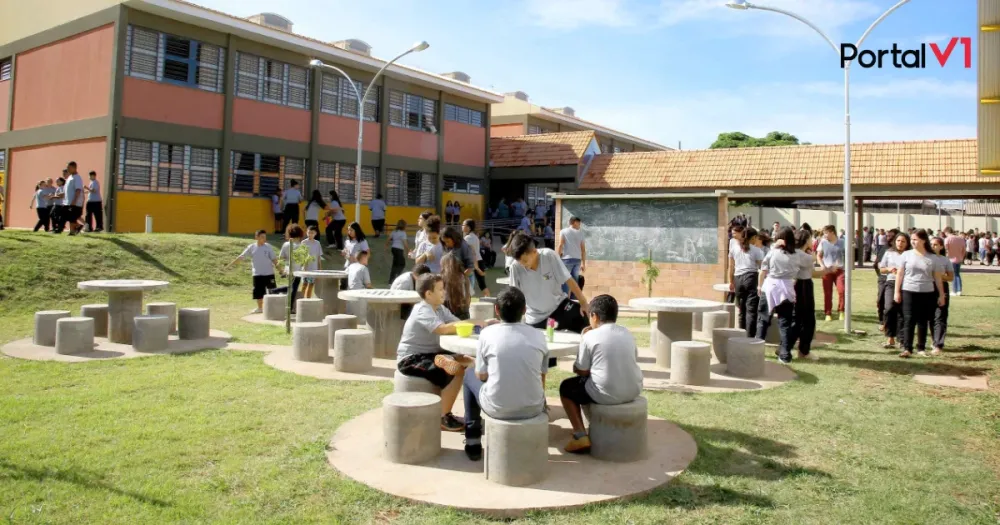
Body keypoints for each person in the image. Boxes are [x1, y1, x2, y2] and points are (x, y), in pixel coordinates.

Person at [462, 287, 548, 461]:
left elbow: (481, 376)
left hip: (498, 407)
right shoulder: (539, 335)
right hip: (535, 406)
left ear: (496, 310)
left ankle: (473, 440)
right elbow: (542, 375)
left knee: (469, 374)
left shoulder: (486, 334)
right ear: (525, 310)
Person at [396, 274, 488, 432]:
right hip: (411, 359)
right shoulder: (422, 309)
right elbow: (442, 329)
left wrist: (478, 324)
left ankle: (446, 361)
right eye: (440, 289)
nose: (444, 292)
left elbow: (456, 324)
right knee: (456, 369)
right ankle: (444, 417)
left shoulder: (439, 308)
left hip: (431, 354)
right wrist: (474, 322)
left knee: (470, 361)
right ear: (428, 294)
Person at [559, 294, 643, 454]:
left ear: (594, 316)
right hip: (634, 389)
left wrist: (583, 341)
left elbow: (582, 370)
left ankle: (580, 434)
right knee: (588, 382)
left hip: (607, 394)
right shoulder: (627, 333)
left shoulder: (589, 335)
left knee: (567, 387)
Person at [508, 232, 590, 336]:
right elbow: (514, 297)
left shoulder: (549, 255)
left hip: (559, 307)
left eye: (525, 261)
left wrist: (583, 302)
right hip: (536, 319)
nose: (522, 265)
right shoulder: (515, 267)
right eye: (519, 262)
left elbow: (568, 279)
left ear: (534, 252)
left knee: (586, 317)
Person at [894, 229, 946, 358]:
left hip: (927, 292)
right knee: (909, 320)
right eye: (911, 239)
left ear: (923, 240)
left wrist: (941, 294)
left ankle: (921, 348)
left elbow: (938, 278)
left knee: (923, 321)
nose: (912, 242)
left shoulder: (932, 257)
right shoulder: (906, 255)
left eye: (915, 239)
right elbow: (899, 274)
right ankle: (907, 348)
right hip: (908, 290)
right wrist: (897, 292)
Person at [758, 227, 802, 364]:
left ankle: (756, 350)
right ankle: (784, 354)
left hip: (771, 286)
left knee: (763, 320)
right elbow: (796, 273)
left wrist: (759, 286)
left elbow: (763, 269)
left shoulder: (773, 253)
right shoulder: (796, 255)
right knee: (785, 323)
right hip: (787, 288)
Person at [225, 229, 282, 314]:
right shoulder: (251, 247)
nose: (264, 239)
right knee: (259, 292)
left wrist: (280, 270)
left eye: (265, 237)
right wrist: (230, 265)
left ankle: (273, 309)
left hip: (269, 274)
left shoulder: (268, 247)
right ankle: (260, 308)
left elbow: (274, 260)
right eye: (262, 237)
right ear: (256, 237)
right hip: (257, 274)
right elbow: (241, 257)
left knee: (272, 291)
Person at [729, 225, 764, 337]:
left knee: (741, 309)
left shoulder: (734, 249)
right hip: (751, 278)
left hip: (738, 278)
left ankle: (741, 334)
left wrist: (731, 282)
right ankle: (749, 337)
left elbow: (731, 267)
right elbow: (762, 268)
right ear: (753, 237)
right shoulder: (757, 250)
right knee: (751, 310)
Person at [791, 229, 820, 360]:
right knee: (804, 320)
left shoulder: (800, 253)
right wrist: (812, 250)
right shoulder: (801, 254)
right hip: (801, 286)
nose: (812, 241)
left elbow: (813, 272)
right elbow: (814, 258)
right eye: (810, 239)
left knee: (801, 319)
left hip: (804, 284)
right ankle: (800, 350)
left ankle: (799, 349)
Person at [880, 232, 908, 348]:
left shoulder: (910, 254)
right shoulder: (888, 253)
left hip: (906, 283)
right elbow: (881, 269)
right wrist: (889, 269)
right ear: (894, 241)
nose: (900, 243)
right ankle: (890, 337)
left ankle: (902, 339)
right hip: (891, 282)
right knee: (889, 308)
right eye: (898, 241)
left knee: (903, 312)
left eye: (903, 241)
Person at [816, 225, 846, 322]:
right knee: (827, 293)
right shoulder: (823, 242)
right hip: (827, 270)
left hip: (839, 270)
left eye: (826, 233)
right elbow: (819, 256)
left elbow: (849, 255)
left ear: (832, 232)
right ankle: (828, 313)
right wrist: (822, 266)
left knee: (842, 290)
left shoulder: (842, 242)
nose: (824, 235)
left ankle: (841, 311)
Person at [930, 237, 954, 356]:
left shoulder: (945, 260)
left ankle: (938, 344)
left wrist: (939, 276)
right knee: (930, 316)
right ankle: (933, 339)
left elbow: (951, 277)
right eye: (931, 244)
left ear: (941, 247)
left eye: (935, 244)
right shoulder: (925, 258)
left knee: (940, 316)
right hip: (927, 288)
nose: (933, 246)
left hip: (942, 288)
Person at [276, 224, 306, 313]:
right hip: (297, 271)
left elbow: (281, 258)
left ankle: (289, 306)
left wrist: (281, 269)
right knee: (293, 288)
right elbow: (303, 260)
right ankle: (289, 307)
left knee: (292, 287)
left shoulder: (286, 244)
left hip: (288, 269)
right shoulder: (301, 246)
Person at [558, 216, 587, 296]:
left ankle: (565, 298)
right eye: (579, 223)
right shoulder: (580, 233)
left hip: (566, 259)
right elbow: (583, 249)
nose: (579, 225)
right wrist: (583, 263)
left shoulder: (563, 231)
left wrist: (557, 257)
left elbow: (560, 245)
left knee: (566, 280)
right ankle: (574, 299)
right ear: (575, 222)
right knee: (575, 281)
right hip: (577, 260)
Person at [463, 219, 490, 297]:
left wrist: (476, 267)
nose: (462, 227)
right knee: (482, 285)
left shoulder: (468, 238)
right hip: (478, 262)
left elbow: (473, 253)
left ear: (468, 227)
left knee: (470, 285)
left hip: (474, 263)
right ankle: (488, 300)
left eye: (463, 225)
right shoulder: (473, 237)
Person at [441, 251, 471, 320]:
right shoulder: (464, 277)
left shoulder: (440, 278)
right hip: (463, 310)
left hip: (446, 310)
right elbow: (468, 297)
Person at [339, 222, 368, 290]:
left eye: (351, 230)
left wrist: (360, 262)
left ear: (356, 230)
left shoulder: (362, 241)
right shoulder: (347, 241)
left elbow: (366, 253)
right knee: (343, 286)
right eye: (348, 230)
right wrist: (343, 252)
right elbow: (345, 250)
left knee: (354, 287)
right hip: (347, 266)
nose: (349, 232)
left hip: (356, 268)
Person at [301, 225, 323, 299]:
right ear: (306, 232)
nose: (310, 234)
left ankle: (308, 299)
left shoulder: (317, 243)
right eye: (309, 232)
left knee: (311, 285)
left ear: (315, 233)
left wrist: (320, 268)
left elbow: (319, 257)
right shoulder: (304, 242)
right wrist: (304, 267)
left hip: (314, 269)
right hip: (306, 268)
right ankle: (302, 299)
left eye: (312, 233)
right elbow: (302, 256)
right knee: (304, 284)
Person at [64, 161, 85, 235]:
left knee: (72, 217)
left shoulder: (77, 177)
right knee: (69, 217)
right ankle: (77, 227)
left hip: (75, 202)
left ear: (74, 168)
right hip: (68, 201)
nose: (67, 169)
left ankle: (72, 231)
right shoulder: (70, 177)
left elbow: (78, 190)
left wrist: (74, 200)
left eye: (69, 168)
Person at [942, 227, 964, 297]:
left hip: (951, 259)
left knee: (953, 275)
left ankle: (954, 290)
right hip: (959, 258)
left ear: (946, 232)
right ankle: (959, 290)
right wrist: (962, 257)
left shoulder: (947, 239)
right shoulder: (961, 239)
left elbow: (946, 249)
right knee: (957, 274)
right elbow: (964, 249)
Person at [387, 219, 409, 285]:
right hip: (399, 249)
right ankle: (397, 278)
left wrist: (386, 246)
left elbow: (388, 239)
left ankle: (391, 281)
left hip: (393, 249)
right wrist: (408, 250)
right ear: (404, 226)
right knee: (402, 264)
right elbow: (405, 243)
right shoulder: (403, 233)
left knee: (395, 264)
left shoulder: (394, 232)